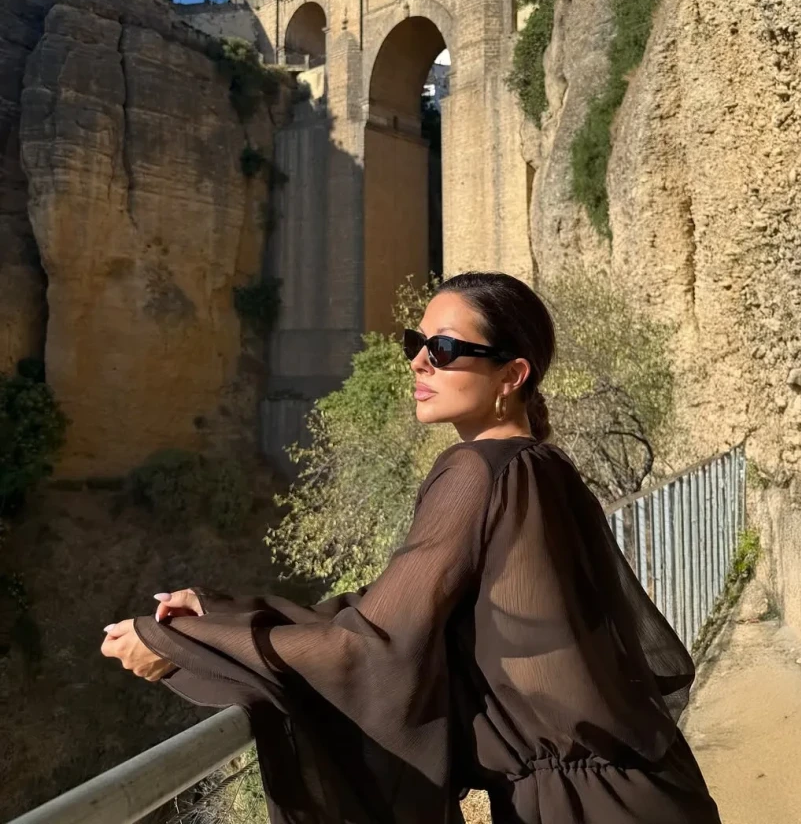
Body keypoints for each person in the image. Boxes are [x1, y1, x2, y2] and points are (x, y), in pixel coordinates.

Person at [101, 271, 721, 824]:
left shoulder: (476, 471)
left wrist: (176, 644)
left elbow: (370, 646)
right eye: (415, 344)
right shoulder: (542, 465)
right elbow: (390, 609)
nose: (419, 363)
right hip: (642, 790)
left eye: (443, 349)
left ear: (512, 375)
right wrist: (221, 613)